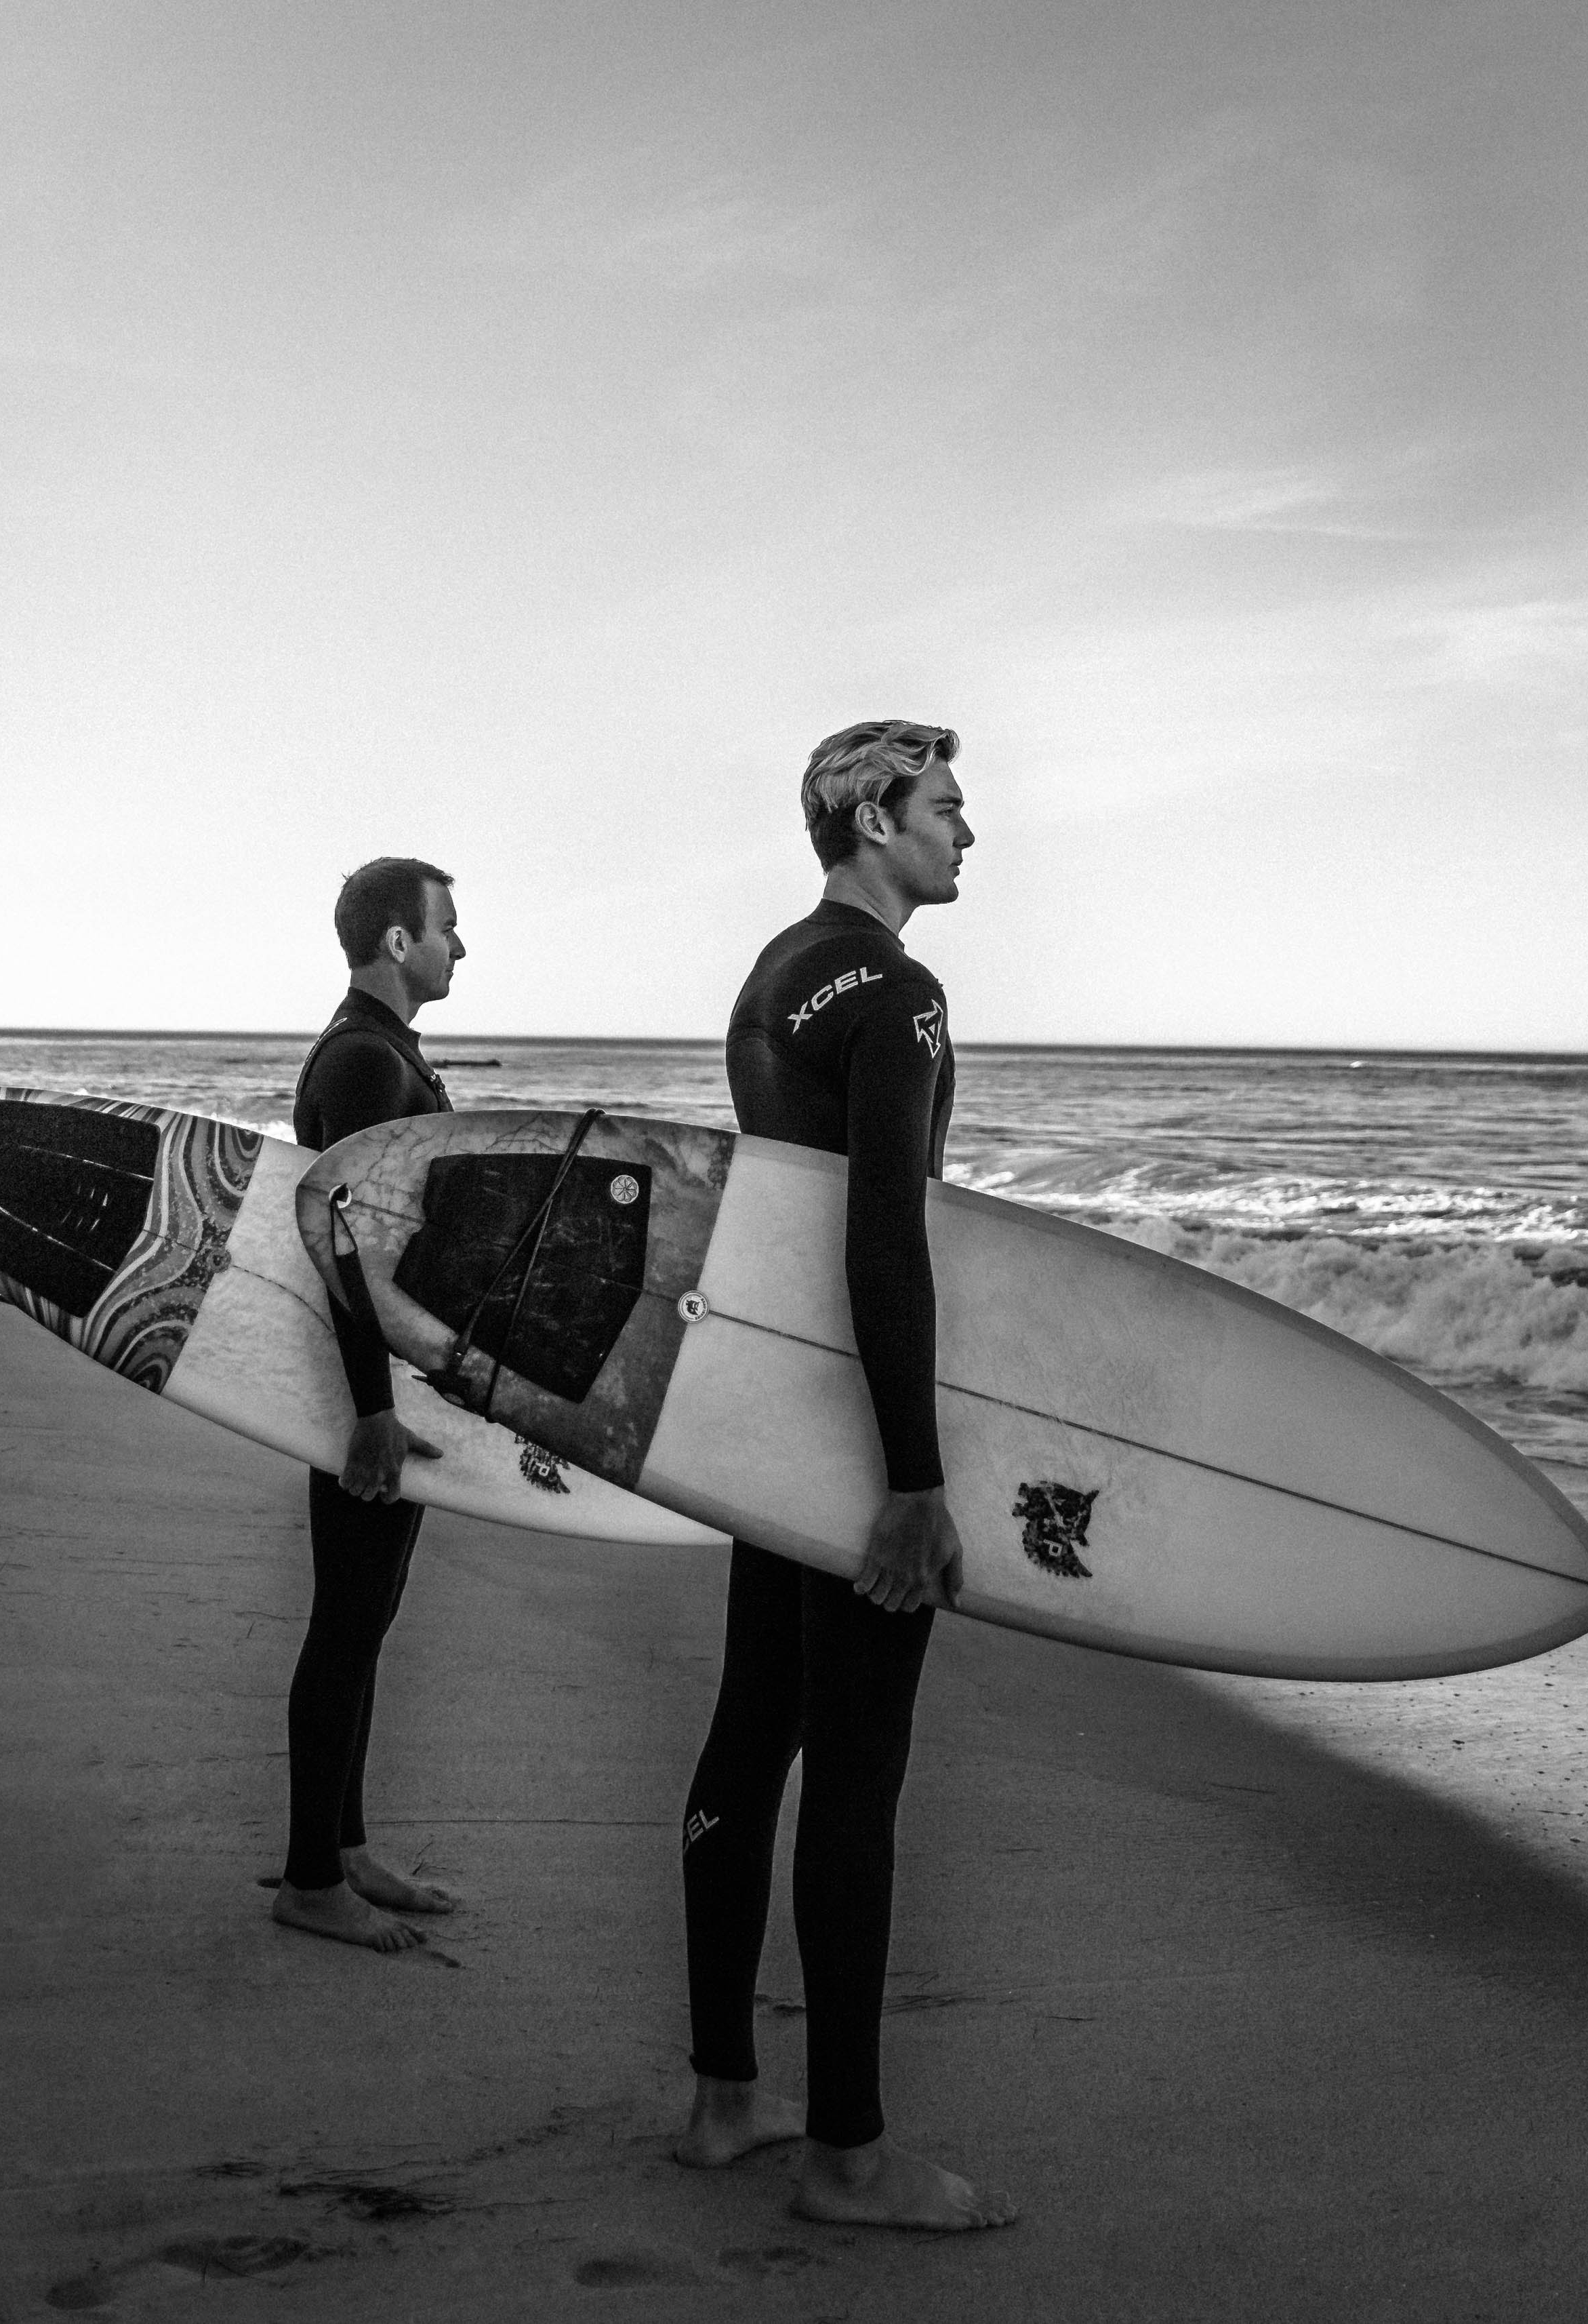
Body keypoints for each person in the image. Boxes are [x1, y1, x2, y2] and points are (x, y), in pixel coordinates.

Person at [676, 721, 1015, 2231]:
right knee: (858, 1787)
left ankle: (723, 2101)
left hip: (769, 1420)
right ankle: (850, 2160)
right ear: (875, 817)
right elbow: (886, 1234)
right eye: (945, 806)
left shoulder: (772, 974)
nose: (967, 830)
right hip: (854, 1427)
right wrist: (917, 1477)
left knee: (750, 1747)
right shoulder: (903, 992)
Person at [270, 856, 465, 1953]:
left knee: (368, 1616)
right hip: (358, 1391)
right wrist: (371, 1409)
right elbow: (335, 1236)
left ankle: (340, 1845)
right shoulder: (359, 1060)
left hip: (378, 1384)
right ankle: (309, 1878)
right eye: (447, 926)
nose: (459, 946)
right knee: (344, 1623)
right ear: (399, 941)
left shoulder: (384, 1053)